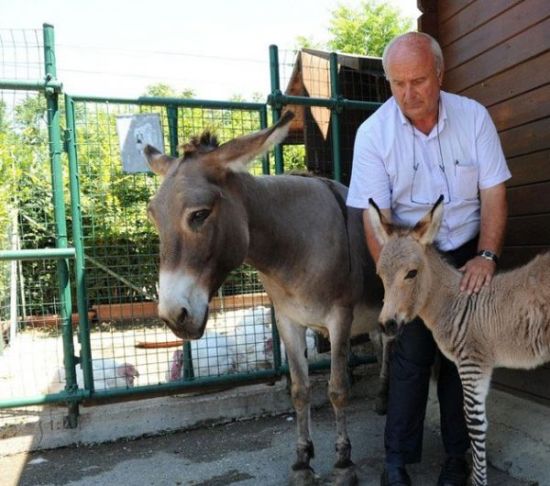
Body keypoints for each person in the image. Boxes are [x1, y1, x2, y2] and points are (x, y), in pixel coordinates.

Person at [347, 32, 511, 486]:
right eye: (397, 83)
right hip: (409, 254)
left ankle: (457, 459)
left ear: (440, 74)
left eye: (418, 80)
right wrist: (398, 283)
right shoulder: (373, 134)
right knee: (413, 354)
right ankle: (396, 463)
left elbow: (493, 193)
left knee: (464, 353)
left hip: (464, 248)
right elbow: (372, 217)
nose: (407, 93)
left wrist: (487, 255)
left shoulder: (473, 118)